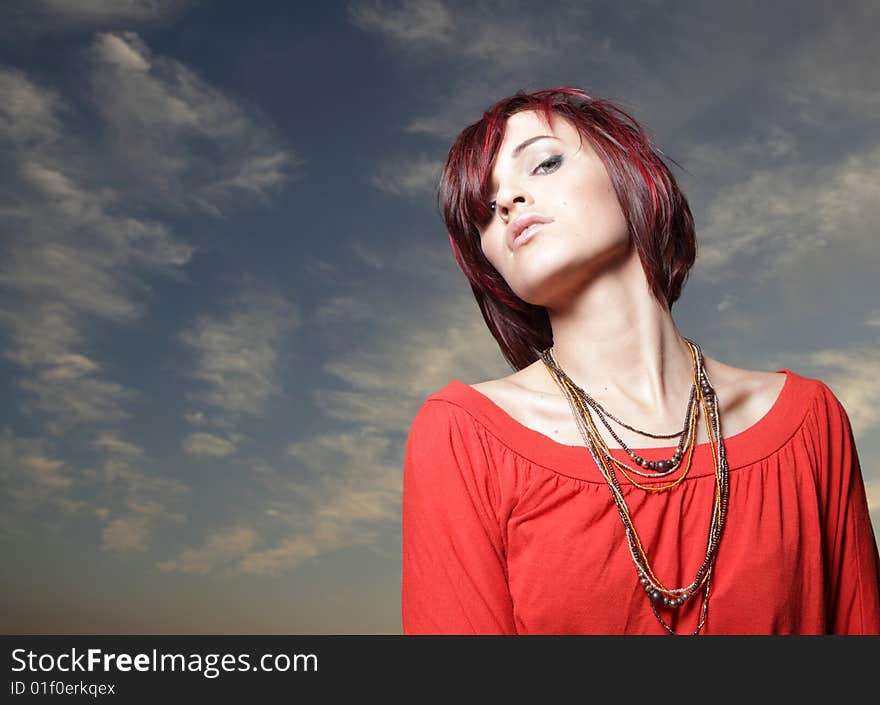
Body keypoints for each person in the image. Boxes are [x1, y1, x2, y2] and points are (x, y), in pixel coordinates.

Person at [400, 87, 880, 635]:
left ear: (631, 172)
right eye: (483, 210)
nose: (506, 203)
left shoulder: (809, 421)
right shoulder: (463, 434)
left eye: (545, 163)